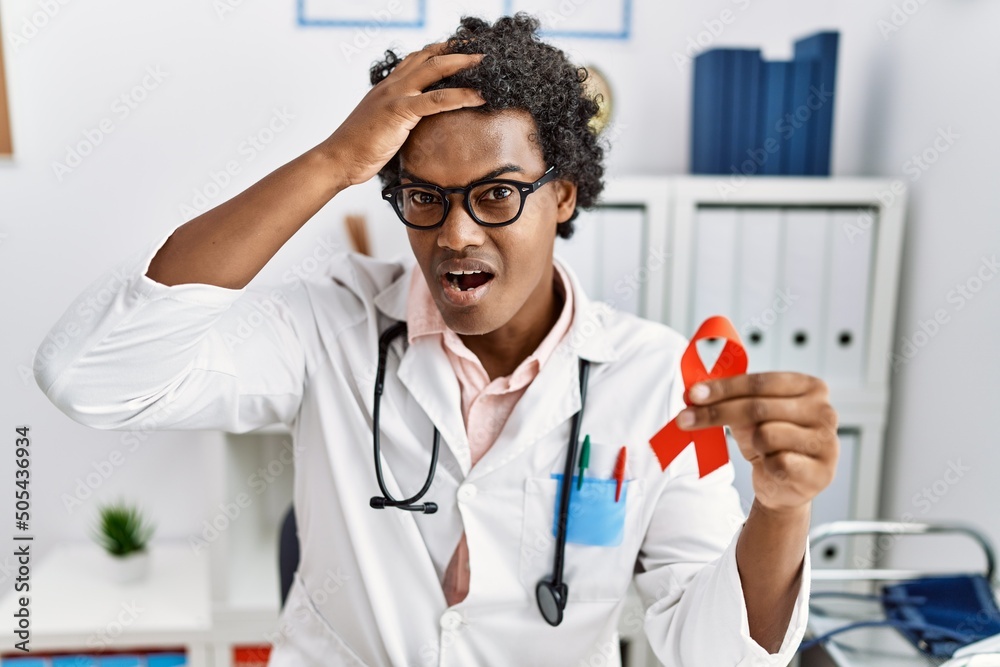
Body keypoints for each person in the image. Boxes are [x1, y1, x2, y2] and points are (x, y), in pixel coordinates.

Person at [34, 13, 839, 666]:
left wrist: (781, 510)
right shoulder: (331, 325)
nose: (455, 234)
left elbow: (717, 655)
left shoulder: (654, 375)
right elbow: (91, 373)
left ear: (561, 196)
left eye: (496, 194)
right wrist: (333, 161)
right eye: (424, 196)